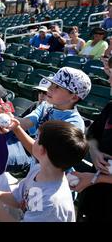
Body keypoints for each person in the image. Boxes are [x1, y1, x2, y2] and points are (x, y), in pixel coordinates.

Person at [0, 120, 89, 222]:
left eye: (37, 137)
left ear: (42, 150)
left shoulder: (51, 203)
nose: (34, 140)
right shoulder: (39, 170)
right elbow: (17, 199)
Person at [71, 56, 112, 222]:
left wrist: (95, 179)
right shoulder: (111, 107)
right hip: (98, 195)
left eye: (111, 75)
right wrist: (94, 151)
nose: (109, 81)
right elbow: (92, 133)